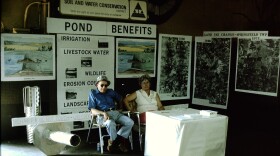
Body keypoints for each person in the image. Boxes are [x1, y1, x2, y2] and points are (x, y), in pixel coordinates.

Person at [88, 75, 134, 153]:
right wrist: (103, 113)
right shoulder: (93, 93)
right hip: (102, 115)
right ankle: (119, 143)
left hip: (115, 113)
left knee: (130, 122)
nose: (104, 87)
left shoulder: (111, 91)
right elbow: (92, 110)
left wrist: (120, 108)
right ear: (97, 85)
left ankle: (113, 141)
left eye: (106, 85)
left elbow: (120, 98)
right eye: (101, 85)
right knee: (110, 123)